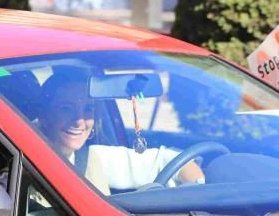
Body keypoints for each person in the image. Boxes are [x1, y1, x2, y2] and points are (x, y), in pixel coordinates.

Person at [36, 67, 204, 195]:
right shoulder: (21, 163)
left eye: (88, 109)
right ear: (43, 115)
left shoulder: (92, 158)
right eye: (66, 108)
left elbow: (173, 162)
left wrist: (199, 195)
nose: (79, 120)